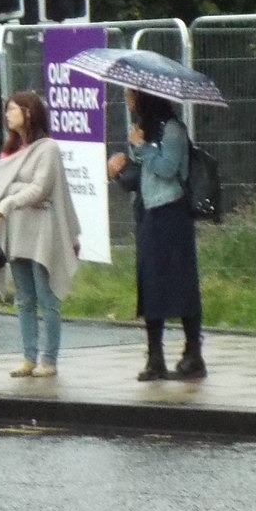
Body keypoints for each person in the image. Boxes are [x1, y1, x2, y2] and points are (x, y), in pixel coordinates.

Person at [107, 89, 204, 380]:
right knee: (150, 284)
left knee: (181, 281)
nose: (127, 100)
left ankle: (193, 353)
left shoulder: (173, 130)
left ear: (144, 98)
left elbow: (166, 167)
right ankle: (155, 356)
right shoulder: (142, 129)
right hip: (148, 213)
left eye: (130, 95)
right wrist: (123, 162)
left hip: (172, 213)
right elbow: (143, 173)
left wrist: (143, 147)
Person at [0, 91, 80, 378]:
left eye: (13, 109)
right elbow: (2, 184)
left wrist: (11, 198)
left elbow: (40, 188)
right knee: (24, 299)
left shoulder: (47, 149)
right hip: (16, 231)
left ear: (29, 112)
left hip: (42, 234)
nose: (7, 115)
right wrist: (16, 193)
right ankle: (28, 357)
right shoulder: (11, 150)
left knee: (47, 297)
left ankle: (48, 360)